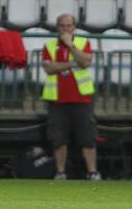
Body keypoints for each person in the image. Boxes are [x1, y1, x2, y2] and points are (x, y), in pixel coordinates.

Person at [42, 13, 101, 181]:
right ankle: (60, 173)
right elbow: (48, 68)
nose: (65, 29)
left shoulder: (83, 42)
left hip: (81, 98)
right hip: (57, 99)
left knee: (87, 136)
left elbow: (85, 62)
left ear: (74, 27)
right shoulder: (50, 45)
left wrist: (71, 45)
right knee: (58, 137)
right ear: (57, 27)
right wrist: (71, 63)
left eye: (69, 26)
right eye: (62, 26)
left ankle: (92, 172)